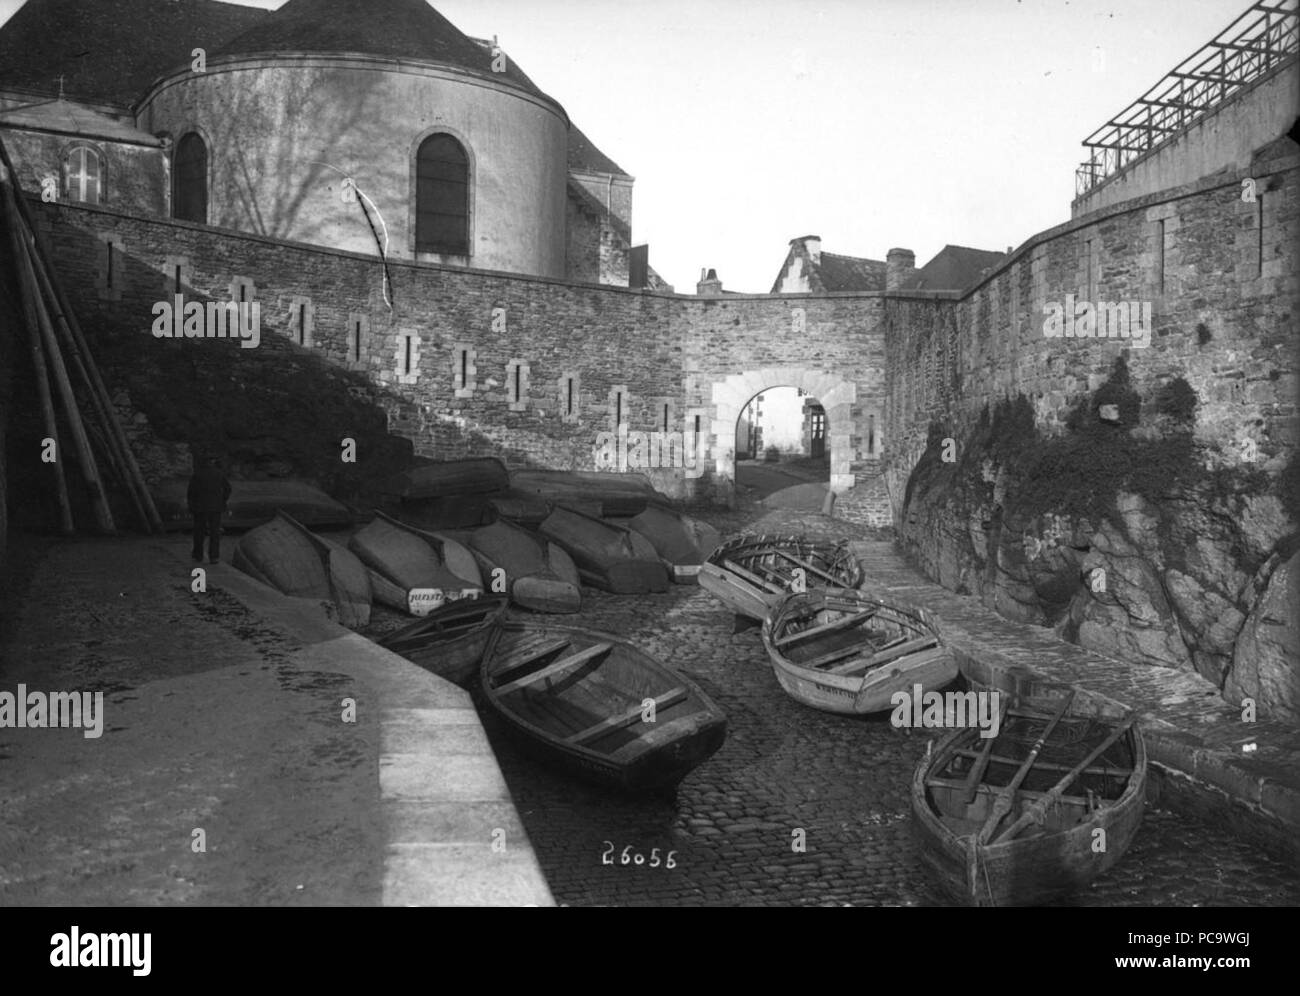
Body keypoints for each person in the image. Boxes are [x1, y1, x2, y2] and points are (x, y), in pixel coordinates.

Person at [188, 456, 232, 564]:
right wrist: (222, 500)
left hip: (200, 507)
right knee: (215, 532)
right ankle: (214, 556)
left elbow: (191, 492)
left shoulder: (197, 474)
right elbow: (228, 489)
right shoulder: (219, 474)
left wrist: (192, 505)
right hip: (215, 507)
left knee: (199, 532)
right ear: (212, 462)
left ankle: (198, 555)